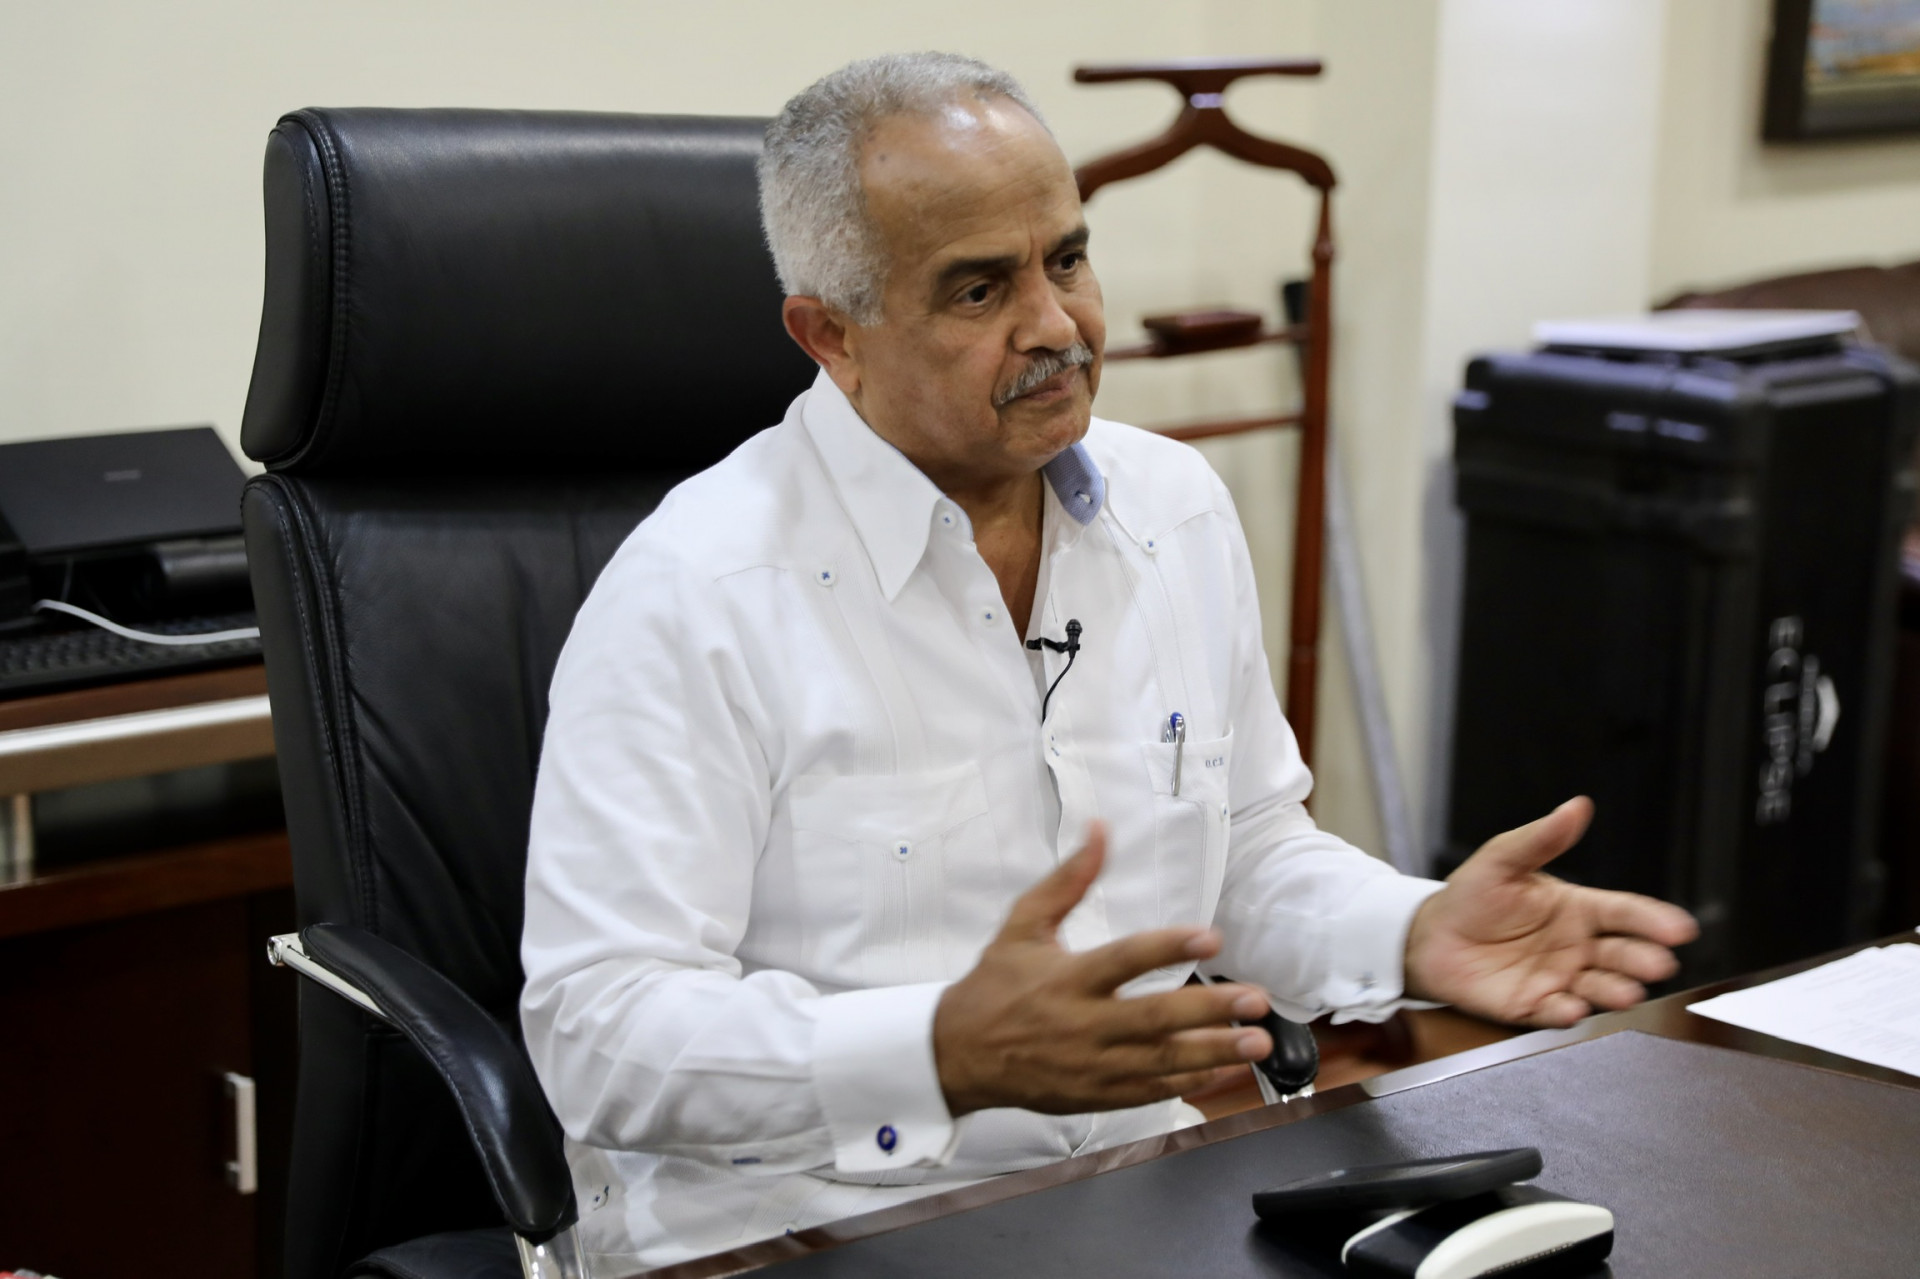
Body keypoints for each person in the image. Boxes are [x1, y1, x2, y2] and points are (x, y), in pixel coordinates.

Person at [519, 51, 1698, 1270]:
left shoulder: (1174, 507)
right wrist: (937, 1051)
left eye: (1069, 260)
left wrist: (1414, 928)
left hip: (1131, 1185)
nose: (1059, 326)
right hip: (793, 1223)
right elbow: (598, 1036)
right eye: (980, 289)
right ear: (832, 336)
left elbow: (1246, 855)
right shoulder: (696, 593)